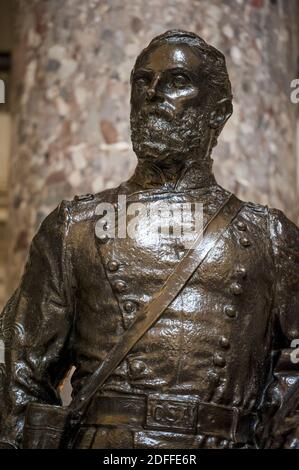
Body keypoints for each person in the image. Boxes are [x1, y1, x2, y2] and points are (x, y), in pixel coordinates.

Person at [0, 30, 298, 449]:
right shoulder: (74, 227)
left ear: (219, 112)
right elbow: (19, 368)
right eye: (143, 81)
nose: (154, 93)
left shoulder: (271, 236)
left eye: (177, 81)